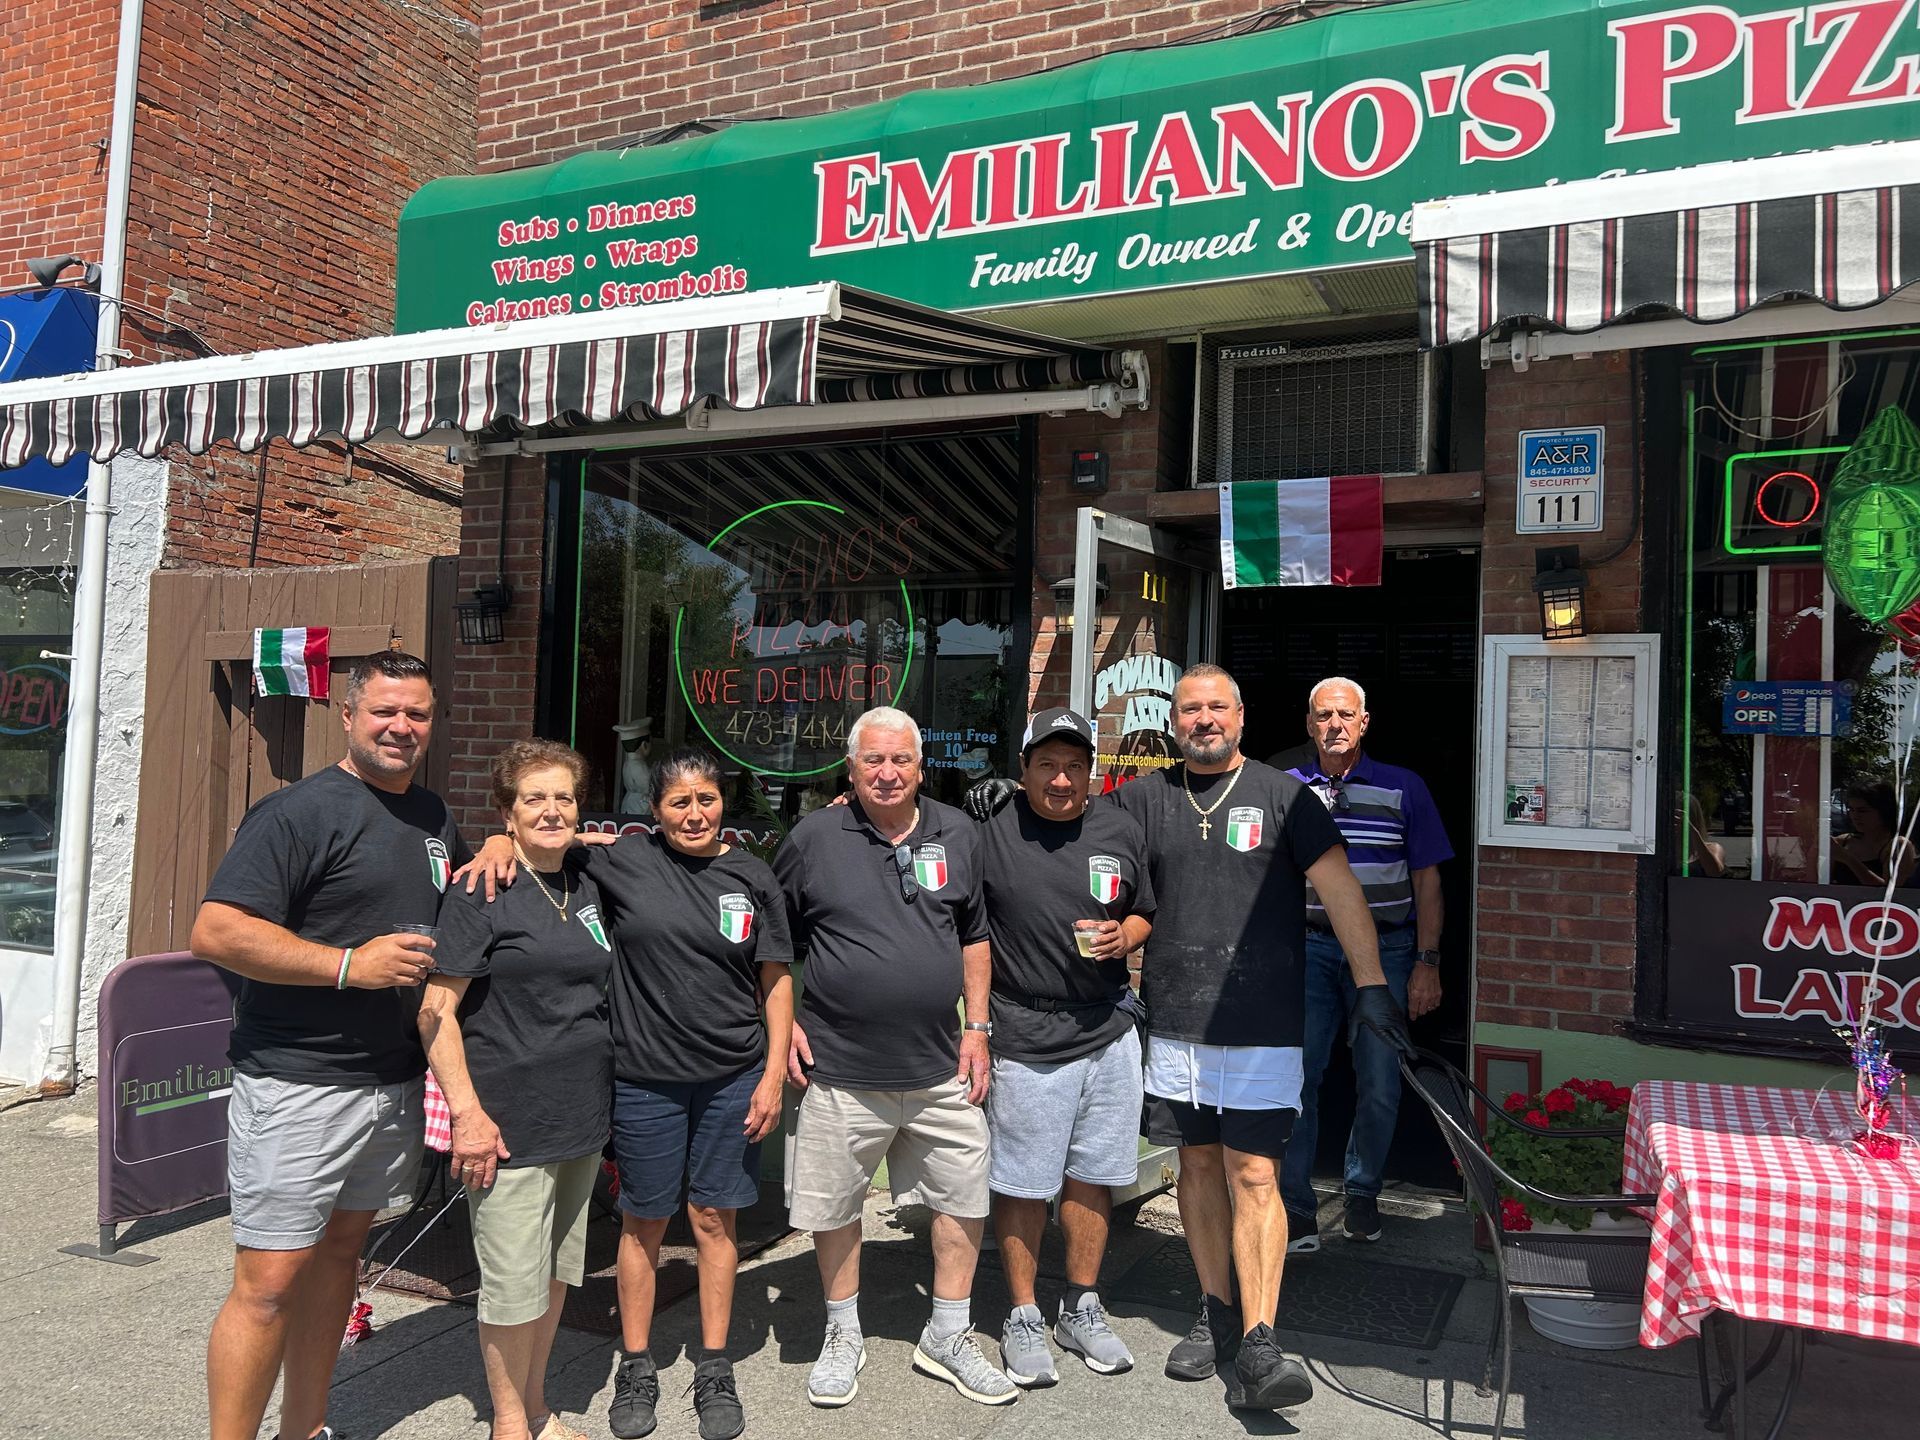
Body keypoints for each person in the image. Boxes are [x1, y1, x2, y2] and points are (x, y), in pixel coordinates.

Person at [464, 748, 796, 1440]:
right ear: (657, 812)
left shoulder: (751, 875)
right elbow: (555, 833)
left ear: (721, 803)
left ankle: (713, 1363)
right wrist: (499, 835)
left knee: (714, 1221)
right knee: (643, 1224)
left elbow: (776, 977)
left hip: (732, 1076)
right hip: (644, 1079)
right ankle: (636, 1363)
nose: (695, 813)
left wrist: (770, 1075)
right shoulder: (625, 863)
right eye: (679, 802)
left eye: (706, 799)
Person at [1108, 663, 1411, 1411]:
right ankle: (1212, 1312)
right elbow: (1073, 839)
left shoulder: (1286, 797)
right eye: (1189, 709)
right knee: (1198, 1171)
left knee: (1254, 1175)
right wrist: (1000, 811)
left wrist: (1372, 987)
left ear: (1240, 718)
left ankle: (1260, 1338)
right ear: (1172, 722)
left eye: (1216, 707)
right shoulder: (1145, 798)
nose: (1203, 719)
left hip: (1265, 1026)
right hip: (1175, 1022)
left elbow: (1341, 892)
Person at [190, 651, 467, 1440]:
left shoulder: (435, 817)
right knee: (270, 1282)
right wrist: (351, 965)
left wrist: (503, 849)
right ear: (347, 716)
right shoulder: (299, 812)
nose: (401, 727)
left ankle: (304, 1428)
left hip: (389, 1081)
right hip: (299, 1083)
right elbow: (216, 930)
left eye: (416, 713)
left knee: (341, 1262)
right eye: (385, 711)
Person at [776, 706, 1015, 1409]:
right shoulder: (814, 838)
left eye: (901, 760)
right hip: (841, 1068)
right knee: (835, 1205)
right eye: (873, 760)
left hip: (941, 1064)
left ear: (919, 765)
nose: (887, 773)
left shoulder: (957, 832)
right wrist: (785, 1019)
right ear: (850, 768)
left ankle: (946, 1334)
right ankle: (842, 1331)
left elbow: (975, 935)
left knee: (964, 1199)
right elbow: (776, 943)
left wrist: (978, 1028)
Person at [422, 740, 613, 1440]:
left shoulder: (587, 879)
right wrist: (467, 1114)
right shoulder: (480, 891)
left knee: (558, 1273)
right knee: (510, 1286)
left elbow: (625, 839)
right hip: (507, 1121)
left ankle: (537, 1405)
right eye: (533, 798)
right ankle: (508, 1421)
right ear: (505, 811)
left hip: (581, 1117)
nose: (552, 809)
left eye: (563, 796)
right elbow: (435, 1012)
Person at [979, 707, 1154, 1387]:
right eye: (1046, 765)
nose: (1061, 778)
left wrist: (1127, 937)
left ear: (1091, 772)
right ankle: (1022, 1314)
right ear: (1022, 771)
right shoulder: (991, 832)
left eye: (1074, 765)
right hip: (1025, 1031)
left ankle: (1081, 1304)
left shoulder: (1118, 826)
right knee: (1022, 1183)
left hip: (1107, 1030)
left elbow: (1145, 906)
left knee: (1094, 1177)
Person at [1279, 677, 1452, 1251]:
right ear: (1309, 724)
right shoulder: (1284, 786)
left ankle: (1362, 1193)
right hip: (1306, 947)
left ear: (1364, 722)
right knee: (1298, 1077)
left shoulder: (1405, 787)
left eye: (1345, 715)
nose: (1334, 725)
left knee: (1379, 1079)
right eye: (1323, 715)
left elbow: (1428, 880)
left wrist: (1427, 961)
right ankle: (1297, 1206)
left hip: (1389, 950)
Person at [1831, 780, 1918, 888]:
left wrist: (1848, 860)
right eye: (1851, 810)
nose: (1855, 816)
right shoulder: (1842, 841)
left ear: (1883, 811)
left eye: (1863, 811)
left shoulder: (1898, 846)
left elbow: (1888, 894)